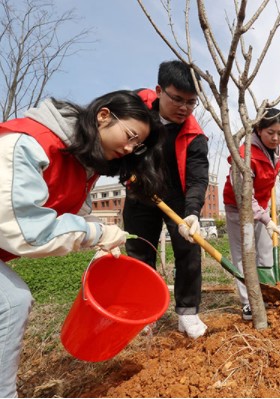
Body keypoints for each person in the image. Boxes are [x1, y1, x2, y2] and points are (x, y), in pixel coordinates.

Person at [0, 90, 164, 398]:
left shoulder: (81, 163)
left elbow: (73, 215)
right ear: (104, 116)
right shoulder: (28, 143)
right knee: (10, 302)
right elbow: (26, 230)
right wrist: (98, 233)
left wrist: (99, 237)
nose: (129, 148)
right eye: (130, 136)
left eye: (137, 145)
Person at [123, 60, 210, 338]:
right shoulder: (134, 109)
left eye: (191, 102)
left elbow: (198, 178)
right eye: (177, 99)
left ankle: (188, 313)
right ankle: (145, 313)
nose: (184, 108)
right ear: (160, 90)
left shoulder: (195, 135)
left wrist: (193, 212)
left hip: (178, 197)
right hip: (140, 191)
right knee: (139, 252)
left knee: (189, 251)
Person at [223, 108, 280, 320]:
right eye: (271, 132)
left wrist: (277, 177)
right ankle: (248, 302)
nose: (276, 138)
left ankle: (268, 294)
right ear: (259, 130)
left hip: (261, 203)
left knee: (265, 251)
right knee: (243, 253)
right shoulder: (244, 155)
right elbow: (244, 197)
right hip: (238, 206)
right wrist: (267, 219)